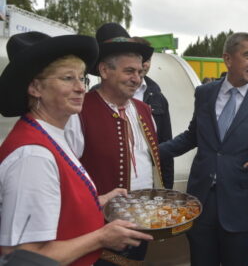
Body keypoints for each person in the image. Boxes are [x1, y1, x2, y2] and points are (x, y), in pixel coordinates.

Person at [0, 32, 152, 266]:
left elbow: (60, 204)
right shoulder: (33, 155)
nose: (81, 88)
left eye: (82, 78)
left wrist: (98, 201)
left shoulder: (49, 136)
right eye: (68, 78)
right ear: (35, 88)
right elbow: (21, 257)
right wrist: (102, 237)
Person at [159, 32, 248, 266]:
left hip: (242, 206)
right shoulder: (205, 93)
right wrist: (153, 152)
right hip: (201, 202)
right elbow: (192, 136)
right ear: (227, 59)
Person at [64, 23, 160, 264]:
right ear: (105, 70)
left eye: (139, 72)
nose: (136, 79)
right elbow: (67, 177)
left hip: (143, 223)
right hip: (99, 232)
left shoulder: (145, 110)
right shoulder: (80, 112)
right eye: (129, 71)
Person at [131, 36, 174, 189]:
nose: (145, 65)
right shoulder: (98, 95)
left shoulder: (158, 98)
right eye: (141, 59)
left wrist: (167, 190)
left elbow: (166, 144)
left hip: (147, 182)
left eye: (148, 60)